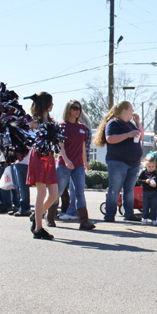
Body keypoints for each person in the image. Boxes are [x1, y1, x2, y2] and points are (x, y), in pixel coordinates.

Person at [94, 101, 143, 223]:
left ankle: (129, 213)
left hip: (134, 162)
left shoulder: (131, 124)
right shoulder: (114, 123)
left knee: (129, 189)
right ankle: (110, 214)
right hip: (118, 161)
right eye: (130, 108)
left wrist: (138, 123)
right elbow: (110, 138)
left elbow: (141, 137)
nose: (132, 111)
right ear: (124, 110)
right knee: (115, 189)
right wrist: (128, 134)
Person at [26, 92, 60, 240]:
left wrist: (64, 157)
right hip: (38, 157)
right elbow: (22, 133)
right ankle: (38, 228)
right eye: (50, 103)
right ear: (44, 105)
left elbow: (60, 142)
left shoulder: (52, 122)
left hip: (50, 157)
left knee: (53, 194)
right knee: (41, 193)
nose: (52, 105)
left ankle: (36, 216)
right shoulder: (34, 122)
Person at [56, 99, 95, 230]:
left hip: (78, 165)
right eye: (74, 108)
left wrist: (85, 161)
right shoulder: (62, 125)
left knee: (80, 192)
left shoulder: (82, 127)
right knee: (58, 191)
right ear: (68, 110)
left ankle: (84, 221)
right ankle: (49, 216)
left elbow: (83, 146)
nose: (77, 111)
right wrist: (66, 160)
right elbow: (61, 145)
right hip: (64, 164)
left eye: (79, 108)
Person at [138, 153, 157, 225]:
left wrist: (155, 185)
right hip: (146, 191)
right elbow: (139, 180)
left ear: (155, 166)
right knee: (145, 205)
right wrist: (145, 181)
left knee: (154, 206)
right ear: (145, 165)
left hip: (154, 192)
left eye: (153, 166)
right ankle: (145, 218)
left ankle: (154, 219)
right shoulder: (144, 172)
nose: (151, 168)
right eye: (149, 166)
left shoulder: (156, 173)